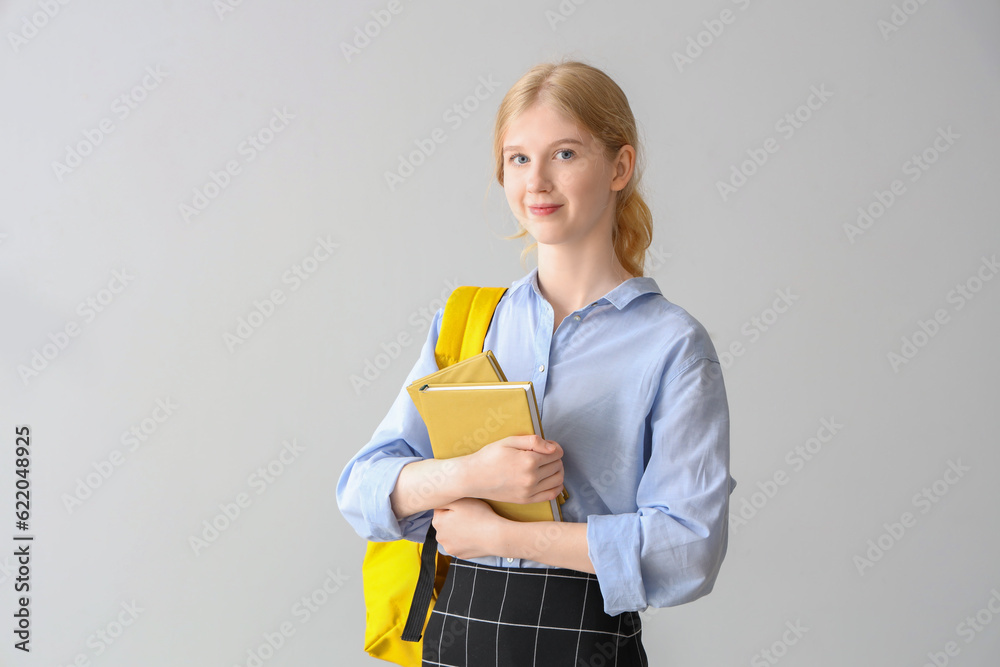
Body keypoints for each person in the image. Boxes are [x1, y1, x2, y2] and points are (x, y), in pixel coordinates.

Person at [337, 59, 736, 667]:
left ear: (620, 167)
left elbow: (689, 550)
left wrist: (505, 537)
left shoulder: (672, 345)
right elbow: (362, 488)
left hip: (585, 645)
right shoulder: (469, 322)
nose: (537, 182)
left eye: (566, 154)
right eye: (518, 159)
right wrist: (473, 476)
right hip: (456, 638)